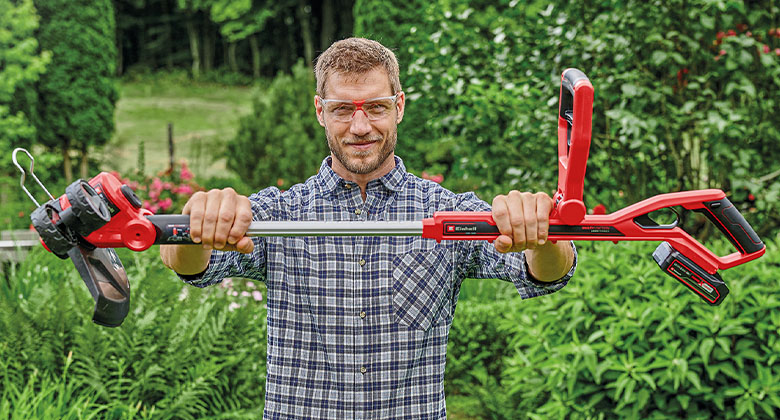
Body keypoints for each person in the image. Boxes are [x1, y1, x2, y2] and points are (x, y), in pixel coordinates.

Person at [161, 37, 576, 419]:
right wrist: (199, 224)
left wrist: (541, 235)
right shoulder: (279, 214)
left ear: (399, 106)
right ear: (321, 111)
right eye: (343, 109)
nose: (360, 127)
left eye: (375, 107)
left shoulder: (449, 212)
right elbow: (187, 264)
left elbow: (547, 272)